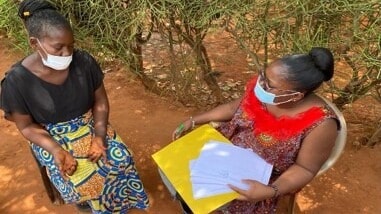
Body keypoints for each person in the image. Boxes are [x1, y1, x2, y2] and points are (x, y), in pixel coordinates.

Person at [0, 0, 149, 213]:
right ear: (35, 43)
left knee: (121, 158)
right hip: (51, 136)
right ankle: (88, 207)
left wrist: (99, 136)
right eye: (58, 47)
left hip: (90, 124)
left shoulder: (84, 62)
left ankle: (123, 203)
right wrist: (56, 150)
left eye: (71, 46)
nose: (66, 54)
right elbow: (26, 127)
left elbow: (100, 102)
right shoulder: (17, 81)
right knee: (80, 178)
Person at [172, 47, 340, 213]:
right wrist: (194, 120)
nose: (260, 84)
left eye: (269, 85)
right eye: (262, 75)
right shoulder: (263, 91)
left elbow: (305, 168)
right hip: (225, 150)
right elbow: (233, 108)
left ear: (295, 96)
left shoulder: (322, 125)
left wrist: (270, 191)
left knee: (219, 203)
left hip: (263, 180)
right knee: (181, 173)